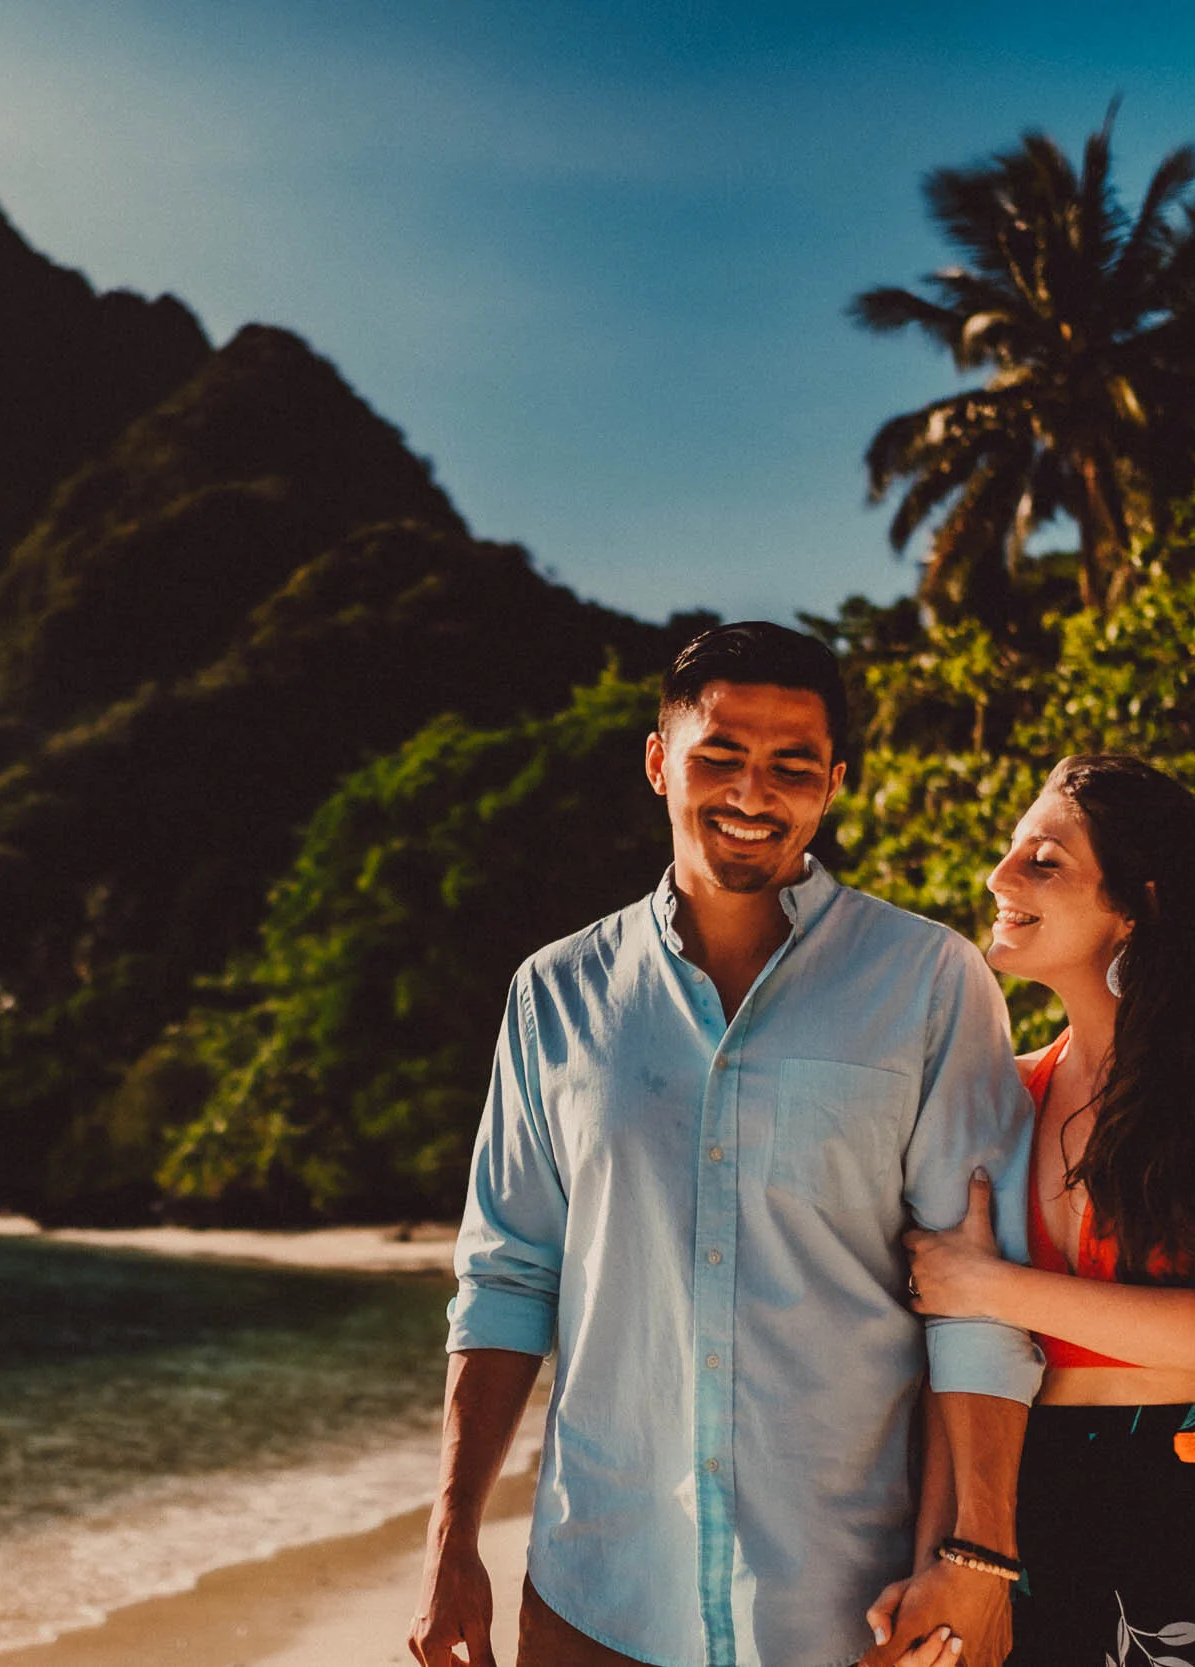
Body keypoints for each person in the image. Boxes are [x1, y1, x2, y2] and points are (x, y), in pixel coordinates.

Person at [409, 621, 1044, 1667]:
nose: (753, 791)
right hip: (595, 1595)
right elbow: (508, 1276)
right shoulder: (553, 993)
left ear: (831, 784)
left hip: (856, 1608)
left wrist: (975, 1557)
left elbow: (979, 1302)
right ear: (659, 761)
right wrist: (451, 1538)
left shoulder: (928, 982)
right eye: (719, 756)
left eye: (791, 765)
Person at [887, 754, 1195, 1666]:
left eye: (1045, 860)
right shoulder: (1004, 1093)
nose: (1000, 877)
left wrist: (990, 1284)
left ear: (1135, 903)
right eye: (1012, 852)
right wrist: (939, 1563)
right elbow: (954, 1369)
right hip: (1037, 1509)